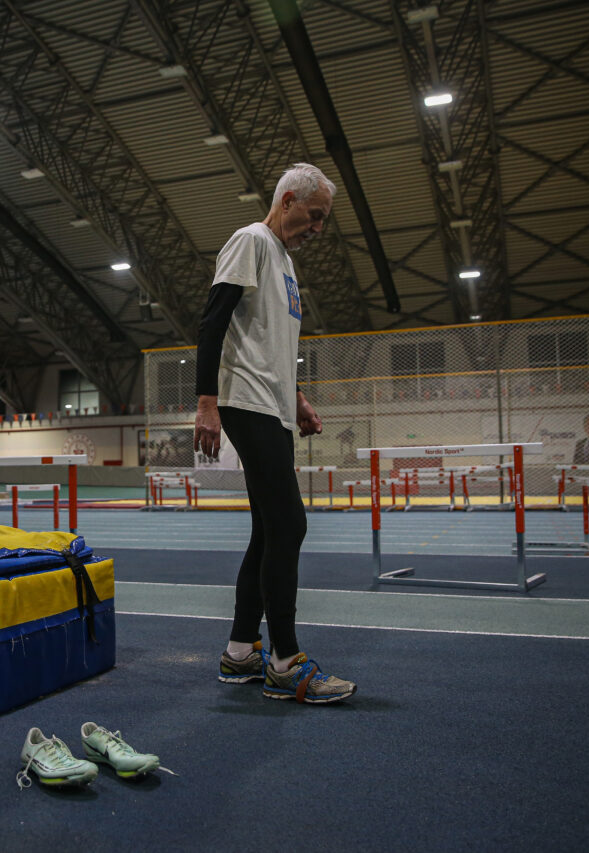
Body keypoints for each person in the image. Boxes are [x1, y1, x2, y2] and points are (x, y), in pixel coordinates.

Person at [192, 163, 356, 705]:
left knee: (268, 531)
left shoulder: (283, 261)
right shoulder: (252, 241)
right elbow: (214, 322)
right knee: (290, 524)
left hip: (274, 406)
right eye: (314, 215)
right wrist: (207, 403)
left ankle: (240, 652)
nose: (318, 228)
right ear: (288, 201)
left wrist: (298, 397)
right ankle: (286, 662)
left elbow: (269, 344)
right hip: (245, 401)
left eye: (324, 220)